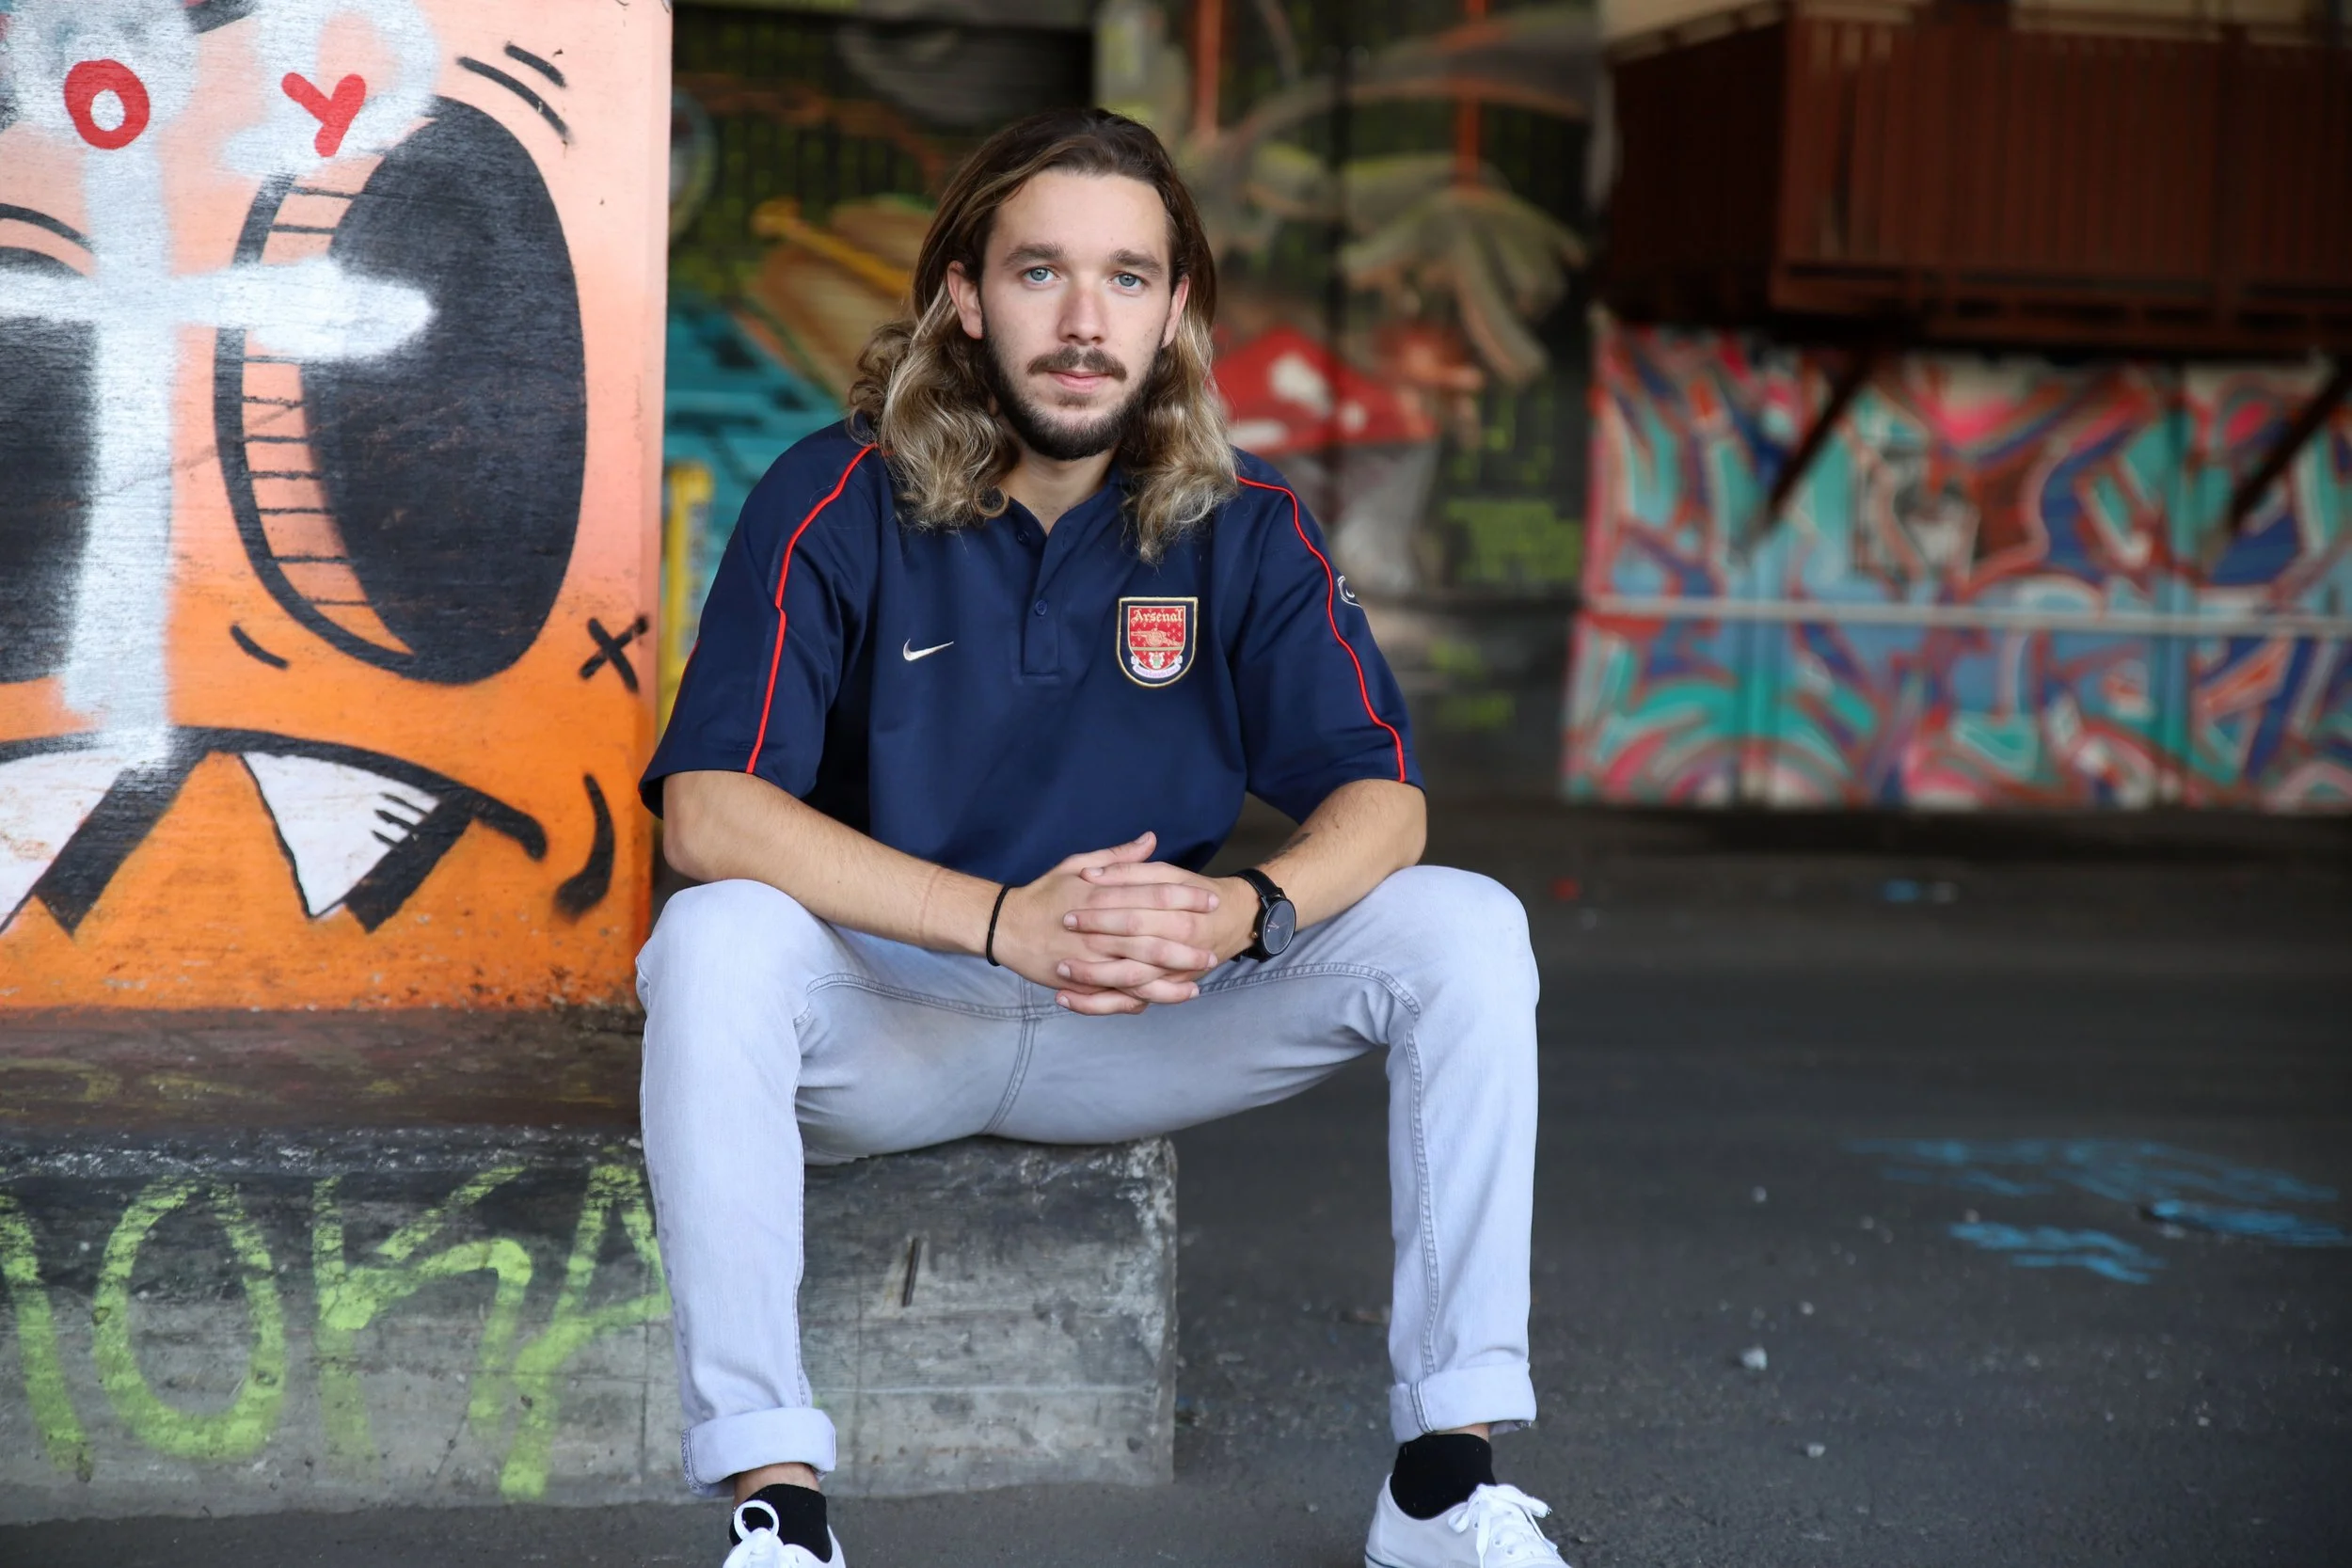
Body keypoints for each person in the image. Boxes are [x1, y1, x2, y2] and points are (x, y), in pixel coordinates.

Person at [637, 106, 1558, 1568]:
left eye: (1127, 278)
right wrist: (1004, 919)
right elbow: (709, 811)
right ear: (962, 295)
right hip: (902, 1015)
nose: (1083, 321)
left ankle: (1445, 1476)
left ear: (1177, 307)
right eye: (1039, 273)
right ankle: (777, 1504)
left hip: (1149, 1011)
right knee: (713, 937)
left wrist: (1245, 910)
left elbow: (1385, 800)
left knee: (1466, 923)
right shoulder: (831, 493)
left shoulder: (1250, 527)